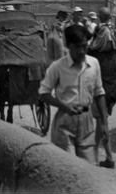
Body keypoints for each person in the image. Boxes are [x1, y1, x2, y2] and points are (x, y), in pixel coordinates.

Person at [39, 24, 109, 163]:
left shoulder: (94, 64)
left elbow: (99, 93)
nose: (82, 51)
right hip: (64, 123)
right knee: (66, 168)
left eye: (84, 46)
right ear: (68, 46)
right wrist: (63, 106)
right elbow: (44, 94)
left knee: (89, 169)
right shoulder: (57, 67)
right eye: (77, 47)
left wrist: (104, 124)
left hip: (87, 122)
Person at [88, 7, 116, 169]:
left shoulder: (101, 33)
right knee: (101, 119)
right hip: (111, 82)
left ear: (100, 17)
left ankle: (109, 157)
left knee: (102, 122)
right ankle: (93, 151)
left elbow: (91, 49)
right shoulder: (113, 32)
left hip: (102, 82)